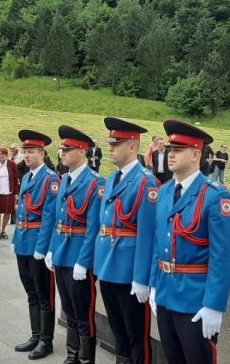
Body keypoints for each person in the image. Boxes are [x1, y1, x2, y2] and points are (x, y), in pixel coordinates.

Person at [144, 120, 230, 364]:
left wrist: (214, 305)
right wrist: (154, 284)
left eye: (178, 150)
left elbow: (223, 257)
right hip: (165, 293)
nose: (170, 154)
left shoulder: (215, 196)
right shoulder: (164, 191)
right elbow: (158, 241)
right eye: (169, 149)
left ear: (196, 154)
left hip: (195, 300)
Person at [93, 117, 158, 364]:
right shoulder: (111, 179)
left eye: (116, 143)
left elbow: (147, 234)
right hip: (108, 266)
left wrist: (142, 278)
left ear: (132, 147)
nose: (110, 147)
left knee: (135, 335)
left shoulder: (145, 181)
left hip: (129, 271)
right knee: (118, 330)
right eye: (110, 142)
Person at [44, 125, 105, 364]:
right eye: (61, 149)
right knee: (68, 308)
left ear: (81, 151)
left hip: (79, 255)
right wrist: (51, 249)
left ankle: (86, 358)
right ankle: (72, 355)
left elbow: (93, 227)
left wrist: (84, 261)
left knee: (83, 313)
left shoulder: (95, 183)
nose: (62, 153)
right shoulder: (65, 179)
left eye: (67, 149)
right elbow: (58, 219)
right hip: (61, 252)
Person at [12, 130, 60, 360]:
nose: (27, 155)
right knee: (30, 291)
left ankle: (46, 340)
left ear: (42, 153)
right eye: (25, 151)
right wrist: (14, 239)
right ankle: (35, 334)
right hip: (23, 241)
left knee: (44, 294)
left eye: (31, 151)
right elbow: (20, 209)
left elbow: (49, 216)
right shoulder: (28, 177)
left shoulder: (50, 179)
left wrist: (43, 248)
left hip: (37, 244)